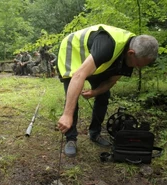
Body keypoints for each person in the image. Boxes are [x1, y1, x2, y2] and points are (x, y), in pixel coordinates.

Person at [56, 24, 159, 157]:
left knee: (103, 95)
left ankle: (95, 133)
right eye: (139, 64)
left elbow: (111, 81)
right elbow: (79, 75)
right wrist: (67, 115)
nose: (138, 68)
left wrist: (95, 92)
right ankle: (71, 139)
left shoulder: (129, 55)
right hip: (72, 52)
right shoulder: (107, 46)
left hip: (95, 60)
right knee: (72, 99)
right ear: (131, 53)